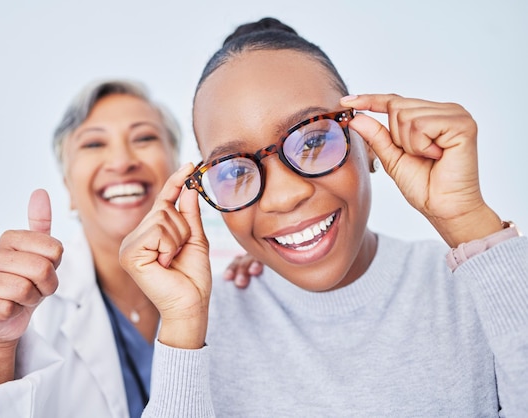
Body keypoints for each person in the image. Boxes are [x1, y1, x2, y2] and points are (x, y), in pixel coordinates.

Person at [119, 18, 528, 417]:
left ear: (367, 139)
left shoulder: (484, 287)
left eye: (313, 139)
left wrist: (468, 222)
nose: (283, 196)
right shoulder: (200, 330)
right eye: (235, 170)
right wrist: (184, 326)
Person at [0, 79, 261, 418]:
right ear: (68, 188)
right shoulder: (12, 294)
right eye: (94, 144)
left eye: (144, 138)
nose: (122, 160)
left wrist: (268, 267)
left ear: (179, 170)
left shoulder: (239, 275)